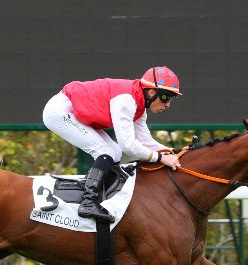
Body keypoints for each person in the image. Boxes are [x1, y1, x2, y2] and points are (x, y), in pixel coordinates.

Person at [43, 66, 182, 223]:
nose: (168, 104)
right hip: (60, 111)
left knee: (115, 152)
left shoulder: (139, 107)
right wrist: (160, 158)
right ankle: (87, 203)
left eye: (171, 99)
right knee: (106, 152)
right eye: (166, 97)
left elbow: (145, 141)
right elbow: (128, 145)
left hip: (73, 110)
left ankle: (99, 196)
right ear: (151, 92)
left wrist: (173, 151)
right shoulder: (127, 100)